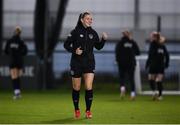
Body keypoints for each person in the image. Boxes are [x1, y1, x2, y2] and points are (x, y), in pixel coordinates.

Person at [64, 11, 108, 119]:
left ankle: (88, 111)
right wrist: (74, 50)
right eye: (88, 18)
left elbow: (98, 47)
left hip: (89, 63)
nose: (90, 20)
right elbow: (66, 45)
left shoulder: (93, 33)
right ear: (82, 20)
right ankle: (76, 109)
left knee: (88, 87)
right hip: (76, 63)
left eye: (91, 19)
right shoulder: (75, 32)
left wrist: (103, 40)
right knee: (76, 87)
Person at [115, 30, 140, 100]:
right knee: (131, 79)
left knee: (122, 77)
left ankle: (122, 88)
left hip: (122, 63)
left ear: (123, 35)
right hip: (131, 63)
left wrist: (117, 60)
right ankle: (132, 94)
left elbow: (117, 52)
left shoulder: (120, 42)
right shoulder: (132, 42)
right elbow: (138, 52)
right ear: (129, 34)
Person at [4, 26, 28, 100]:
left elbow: (6, 51)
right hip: (18, 61)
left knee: (14, 76)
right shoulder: (21, 41)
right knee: (17, 76)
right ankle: (18, 92)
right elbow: (25, 51)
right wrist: (19, 54)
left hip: (13, 60)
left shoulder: (10, 40)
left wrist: (12, 54)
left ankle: (16, 92)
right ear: (20, 32)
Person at [145, 32, 169, 100]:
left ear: (155, 37)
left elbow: (150, 55)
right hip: (160, 65)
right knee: (158, 80)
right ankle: (159, 95)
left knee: (153, 79)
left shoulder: (153, 45)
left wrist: (147, 63)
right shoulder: (162, 45)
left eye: (152, 36)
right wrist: (166, 63)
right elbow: (167, 55)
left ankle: (155, 92)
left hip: (155, 65)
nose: (151, 37)